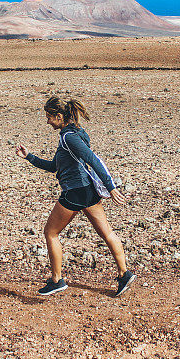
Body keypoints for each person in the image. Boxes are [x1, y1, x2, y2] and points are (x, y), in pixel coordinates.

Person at [15, 96, 136, 297]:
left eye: (49, 117)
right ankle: (124, 274)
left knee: (50, 232)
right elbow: (54, 166)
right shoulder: (74, 134)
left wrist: (111, 187)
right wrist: (29, 157)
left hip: (75, 192)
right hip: (88, 191)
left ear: (59, 116)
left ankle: (57, 280)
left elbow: (92, 159)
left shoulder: (68, 138)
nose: (47, 121)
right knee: (107, 233)